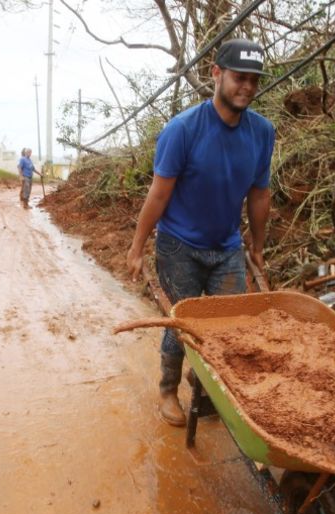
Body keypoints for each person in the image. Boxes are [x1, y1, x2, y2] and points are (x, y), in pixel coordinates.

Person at [124, 39, 274, 427]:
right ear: (216, 74)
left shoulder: (261, 133)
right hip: (179, 246)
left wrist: (257, 247)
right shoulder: (183, 130)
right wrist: (138, 246)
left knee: (228, 328)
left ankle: (204, 383)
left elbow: (259, 195)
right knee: (184, 324)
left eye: (254, 80)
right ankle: (168, 389)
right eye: (240, 77)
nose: (247, 87)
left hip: (226, 246)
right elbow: (159, 194)